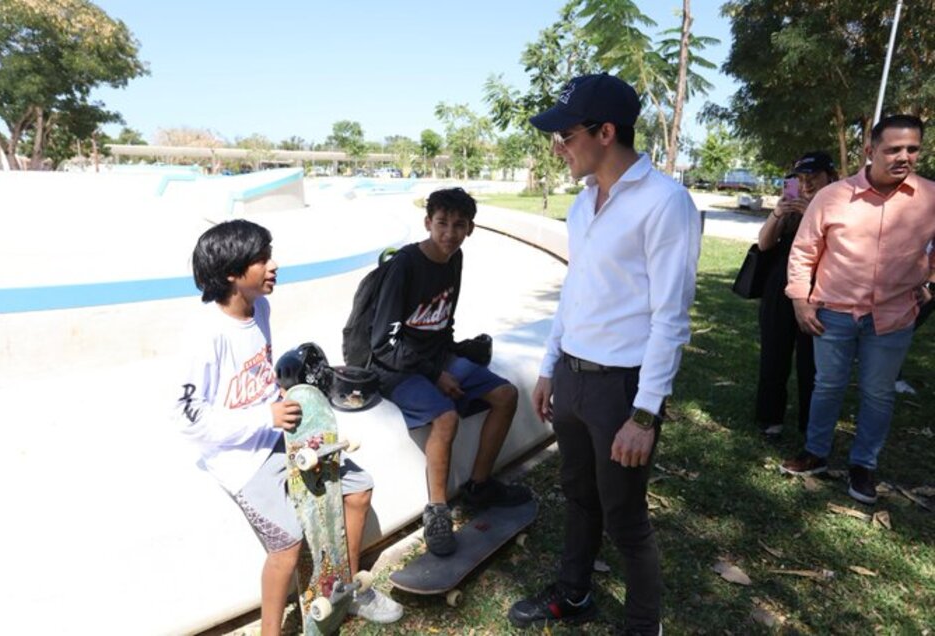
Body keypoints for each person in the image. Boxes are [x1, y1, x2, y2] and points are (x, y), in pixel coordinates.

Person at [508, 73, 700, 635]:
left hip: (622, 388)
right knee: (579, 495)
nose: (557, 147)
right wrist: (550, 367)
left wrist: (645, 414)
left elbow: (670, 318)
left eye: (566, 135)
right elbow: (575, 291)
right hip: (572, 377)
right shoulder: (582, 204)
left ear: (606, 132)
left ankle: (643, 625)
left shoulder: (665, 203)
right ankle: (575, 594)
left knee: (624, 517)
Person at [173, 220, 402, 635]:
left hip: (282, 433)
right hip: (240, 457)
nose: (273, 265)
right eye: (262, 259)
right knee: (287, 545)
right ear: (232, 273)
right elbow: (188, 418)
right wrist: (264, 417)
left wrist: (286, 400)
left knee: (359, 489)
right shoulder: (205, 335)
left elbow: (257, 375)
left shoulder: (260, 307)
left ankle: (345, 590)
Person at [780, 115, 935, 505]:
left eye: (912, 149)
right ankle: (815, 452)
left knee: (878, 393)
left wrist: (929, 282)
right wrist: (800, 299)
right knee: (827, 385)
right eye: (893, 149)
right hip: (834, 311)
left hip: (894, 316)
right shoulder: (833, 197)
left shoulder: (930, 198)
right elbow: (804, 251)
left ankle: (863, 465)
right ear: (870, 150)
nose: (903, 157)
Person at [368, 187, 532, 557]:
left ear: (470, 228)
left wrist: (451, 358)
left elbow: (443, 320)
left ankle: (479, 485)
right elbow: (383, 343)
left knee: (506, 395)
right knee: (445, 418)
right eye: (442, 223)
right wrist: (435, 374)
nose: (449, 233)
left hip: (435, 358)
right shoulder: (405, 266)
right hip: (396, 367)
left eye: (459, 225)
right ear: (428, 222)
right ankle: (438, 511)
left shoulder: (454, 259)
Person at [754, 152, 837, 438]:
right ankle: (770, 417)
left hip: (820, 286)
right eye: (800, 179)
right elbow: (764, 244)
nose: (806, 185)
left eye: (813, 177)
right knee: (773, 353)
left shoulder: (839, 206)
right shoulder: (790, 207)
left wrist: (811, 214)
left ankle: (809, 422)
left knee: (811, 360)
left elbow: (839, 248)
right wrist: (779, 213)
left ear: (830, 177)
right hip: (780, 285)